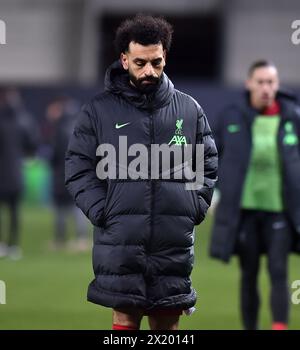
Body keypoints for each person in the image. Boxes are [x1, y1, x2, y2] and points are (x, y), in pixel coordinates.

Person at [65, 14, 217, 330]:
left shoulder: (189, 109)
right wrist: (102, 210)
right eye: (140, 63)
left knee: (167, 323)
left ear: (165, 58)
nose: (149, 70)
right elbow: (79, 166)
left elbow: (207, 162)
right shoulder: (98, 110)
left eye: (156, 62)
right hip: (120, 238)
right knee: (125, 319)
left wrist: (194, 206)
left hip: (172, 238)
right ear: (124, 60)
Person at [210, 60, 300, 330]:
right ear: (249, 83)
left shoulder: (292, 117)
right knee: (248, 276)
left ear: (277, 84)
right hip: (245, 211)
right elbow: (210, 156)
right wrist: (213, 192)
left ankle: (279, 326)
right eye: (260, 82)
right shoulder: (232, 116)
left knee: (278, 272)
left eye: (270, 82)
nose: (265, 88)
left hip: (279, 210)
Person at [45, 97, 89, 251]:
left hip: (62, 175)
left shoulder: (59, 130)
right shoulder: (78, 128)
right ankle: (81, 239)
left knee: (61, 209)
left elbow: (55, 155)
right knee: (77, 208)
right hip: (78, 174)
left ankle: (61, 240)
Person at [0, 87, 38, 260]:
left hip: (2, 174)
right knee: (15, 212)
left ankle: (2, 245)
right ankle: (13, 245)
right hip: (16, 174)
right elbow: (32, 145)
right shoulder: (23, 121)